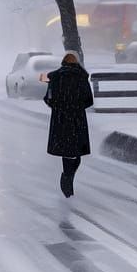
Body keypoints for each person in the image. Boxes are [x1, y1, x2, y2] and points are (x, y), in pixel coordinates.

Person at [43, 52, 94, 198]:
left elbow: (49, 99)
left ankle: (67, 177)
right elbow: (89, 100)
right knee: (76, 153)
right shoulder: (81, 77)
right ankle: (68, 178)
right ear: (76, 63)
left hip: (61, 119)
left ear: (63, 63)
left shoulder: (55, 77)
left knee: (65, 151)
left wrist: (60, 106)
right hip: (77, 119)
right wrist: (76, 106)